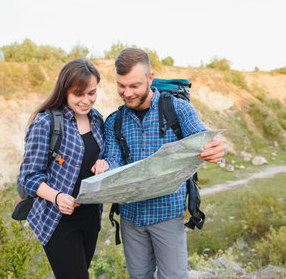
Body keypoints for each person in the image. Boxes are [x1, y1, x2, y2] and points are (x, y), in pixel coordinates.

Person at [104, 48, 225, 279]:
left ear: (150, 78)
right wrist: (104, 168)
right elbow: (113, 160)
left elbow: (202, 136)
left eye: (134, 86)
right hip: (130, 217)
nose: (127, 93)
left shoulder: (177, 109)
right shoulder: (114, 121)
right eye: (121, 85)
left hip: (167, 215)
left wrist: (217, 147)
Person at [18, 58, 109, 279]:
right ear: (65, 90)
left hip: (90, 216)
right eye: (79, 94)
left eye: (92, 93)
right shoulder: (46, 123)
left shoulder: (97, 119)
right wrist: (58, 197)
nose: (86, 100)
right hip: (57, 219)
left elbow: (100, 156)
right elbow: (28, 177)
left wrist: (104, 162)